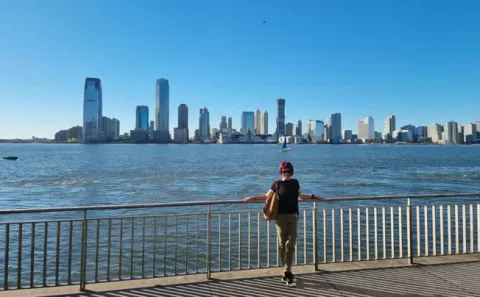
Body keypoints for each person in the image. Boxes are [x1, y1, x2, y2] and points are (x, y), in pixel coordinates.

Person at [243, 161, 325, 285]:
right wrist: (252, 198)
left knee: (291, 243)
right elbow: (266, 196)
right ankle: (286, 270)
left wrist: (315, 196)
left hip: (293, 216)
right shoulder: (276, 184)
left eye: (288, 171)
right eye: (283, 171)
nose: (285, 173)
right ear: (280, 172)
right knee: (282, 244)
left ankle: (287, 270)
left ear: (291, 172)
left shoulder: (295, 182)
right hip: (280, 218)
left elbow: (301, 197)